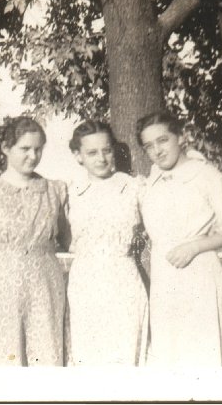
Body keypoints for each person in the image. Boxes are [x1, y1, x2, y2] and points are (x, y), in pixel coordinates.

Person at [136, 111, 222, 367]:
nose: (157, 150)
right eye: (149, 146)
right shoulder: (151, 181)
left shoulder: (206, 175)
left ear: (181, 136)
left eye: (163, 140)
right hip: (164, 280)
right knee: (171, 353)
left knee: (202, 352)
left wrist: (194, 246)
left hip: (198, 273)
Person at [0, 116, 69, 366]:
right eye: (25, 149)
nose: (33, 155)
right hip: (0, 287)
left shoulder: (54, 191)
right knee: (4, 355)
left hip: (46, 286)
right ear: (6, 148)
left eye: (38, 149)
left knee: (45, 355)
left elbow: (70, 238)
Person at [66, 120, 149, 366]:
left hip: (124, 281)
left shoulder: (134, 187)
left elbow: (160, 225)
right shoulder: (70, 193)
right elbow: (52, 235)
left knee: (125, 354)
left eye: (107, 150)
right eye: (92, 152)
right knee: (89, 356)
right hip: (85, 283)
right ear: (77, 156)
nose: (101, 158)